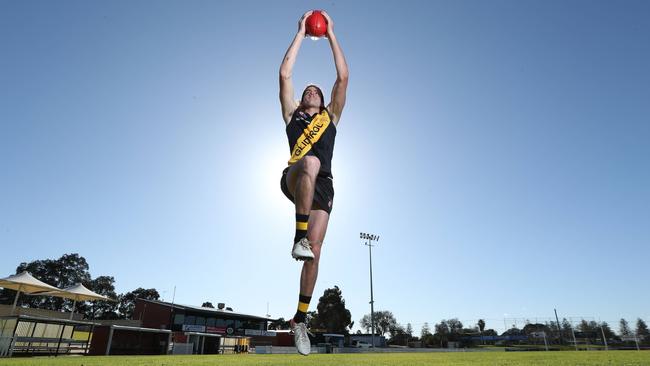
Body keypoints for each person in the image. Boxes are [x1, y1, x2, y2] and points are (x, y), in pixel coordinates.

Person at [278, 10, 349, 356]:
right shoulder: (292, 115)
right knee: (309, 161)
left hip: (324, 186)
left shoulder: (330, 118)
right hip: (295, 175)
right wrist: (301, 33)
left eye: (314, 91)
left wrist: (331, 32)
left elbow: (343, 77)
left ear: (322, 101)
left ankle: (300, 319)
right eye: (306, 90)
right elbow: (285, 73)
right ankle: (297, 236)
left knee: (316, 254)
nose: (309, 91)